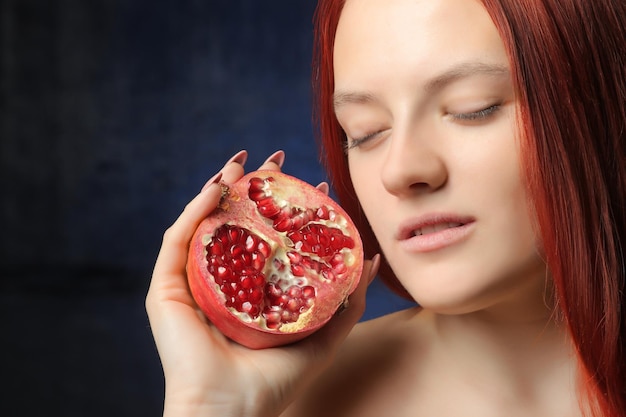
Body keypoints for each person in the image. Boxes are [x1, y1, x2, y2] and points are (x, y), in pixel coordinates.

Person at [145, 0, 626, 415]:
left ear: (602, 104)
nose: (400, 172)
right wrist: (211, 410)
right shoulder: (293, 405)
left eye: (472, 107)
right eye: (364, 132)